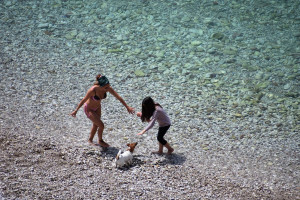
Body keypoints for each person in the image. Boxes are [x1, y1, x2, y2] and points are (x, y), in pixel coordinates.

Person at [70, 74, 134, 147]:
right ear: (100, 86)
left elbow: (118, 97)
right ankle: (100, 141)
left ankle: (90, 140)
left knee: (96, 124)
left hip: (97, 107)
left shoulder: (108, 88)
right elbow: (83, 99)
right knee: (101, 125)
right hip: (89, 109)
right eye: (106, 87)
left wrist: (127, 107)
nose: (108, 89)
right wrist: (76, 110)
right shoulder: (93, 90)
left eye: (108, 86)